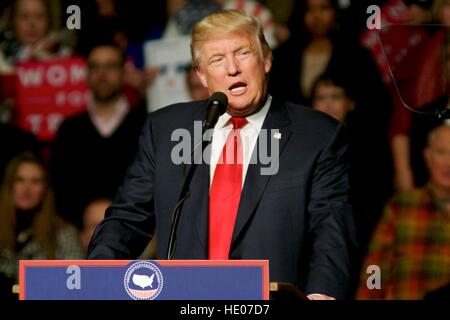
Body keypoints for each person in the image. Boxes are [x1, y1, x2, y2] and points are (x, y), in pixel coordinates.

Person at [88, 9, 356, 300]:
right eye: (217, 59)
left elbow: (331, 227)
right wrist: (94, 278)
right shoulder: (165, 129)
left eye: (243, 53)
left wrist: (322, 292)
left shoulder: (317, 135)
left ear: (266, 59)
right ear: (201, 75)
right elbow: (128, 218)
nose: (232, 69)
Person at [50, 42, 147, 229]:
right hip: (79, 236)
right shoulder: (69, 129)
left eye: (110, 66)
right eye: (95, 67)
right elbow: (59, 188)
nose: (102, 75)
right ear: (86, 74)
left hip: (138, 232)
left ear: (123, 72)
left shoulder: (147, 124)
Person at [356, 123, 450, 300]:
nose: (448, 162)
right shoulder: (402, 206)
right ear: (428, 156)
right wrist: (369, 294)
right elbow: (375, 267)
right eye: (441, 152)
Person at [0, 152, 84, 299]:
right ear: (9, 185)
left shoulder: (64, 234)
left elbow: (76, 285)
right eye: (19, 180)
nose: (27, 188)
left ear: (45, 189)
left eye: (35, 181)